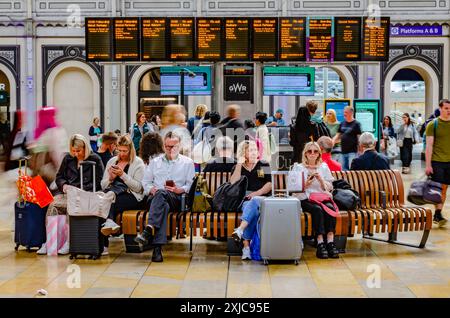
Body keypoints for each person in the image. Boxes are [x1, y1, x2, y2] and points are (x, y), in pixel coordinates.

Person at [37, 134, 104, 255]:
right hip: (68, 193)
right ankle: (50, 241)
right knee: (52, 205)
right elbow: (59, 177)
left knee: (71, 206)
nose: (76, 154)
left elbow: (100, 182)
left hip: (86, 195)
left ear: (85, 148)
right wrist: (64, 185)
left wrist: (80, 190)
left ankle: (69, 241)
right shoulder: (68, 158)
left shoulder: (95, 159)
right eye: (73, 151)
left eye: (78, 151)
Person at [136, 132, 195, 262]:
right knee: (162, 201)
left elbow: (190, 186)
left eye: (174, 146)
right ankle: (156, 248)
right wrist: (151, 189)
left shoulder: (188, 163)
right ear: (163, 145)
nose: (171, 149)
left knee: (163, 197)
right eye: (168, 146)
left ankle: (149, 231)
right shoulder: (155, 162)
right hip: (155, 197)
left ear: (179, 146)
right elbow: (145, 182)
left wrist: (179, 189)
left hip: (177, 198)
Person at [291, 142, 339, 259]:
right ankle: (320, 242)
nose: (312, 154)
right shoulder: (298, 167)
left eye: (315, 151)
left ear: (319, 154)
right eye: (309, 151)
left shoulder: (323, 167)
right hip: (305, 197)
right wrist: (305, 184)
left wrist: (321, 180)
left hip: (321, 196)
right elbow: (293, 189)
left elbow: (330, 187)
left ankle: (330, 241)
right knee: (317, 210)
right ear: (305, 154)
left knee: (330, 208)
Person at [100, 135, 146, 255]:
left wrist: (122, 175)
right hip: (111, 194)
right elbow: (103, 185)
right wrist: (110, 178)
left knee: (107, 201)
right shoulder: (112, 161)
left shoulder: (138, 163)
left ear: (130, 150)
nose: (121, 153)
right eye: (119, 150)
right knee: (102, 201)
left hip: (132, 196)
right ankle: (102, 241)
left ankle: (104, 242)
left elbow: (139, 188)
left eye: (124, 151)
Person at [230, 140, 272, 260]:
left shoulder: (264, 164)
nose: (254, 153)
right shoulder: (237, 167)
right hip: (244, 199)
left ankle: (242, 235)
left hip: (262, 197)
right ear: (244, 153)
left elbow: (269, 184)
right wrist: (239, 164)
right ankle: (245, 243)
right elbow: (233, 183)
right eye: (250, 150)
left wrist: (257, 193)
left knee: (253, 202)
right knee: (252, 209)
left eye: (255, 150)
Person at [28, 107, 68, 188]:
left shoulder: (39, 131)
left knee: (38, 192)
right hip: (47, 169)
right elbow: (56, 153)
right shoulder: (56, 130)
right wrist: (61, 170)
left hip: (39, 170)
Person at [425, 99, 450, 226]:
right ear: (440, 109)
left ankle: (438, 214)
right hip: (437, 161)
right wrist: (428, 164)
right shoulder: (433, 124)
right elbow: (429, 145)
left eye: (449, 108)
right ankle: (438, 213)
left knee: (445, 189)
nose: (448, 110)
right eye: (446, 108)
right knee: (438, 190)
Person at [332, 106, 362, 171]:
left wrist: (360, 150)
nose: (344, 114)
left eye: (346, 112)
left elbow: (359, 138)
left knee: (352, 170)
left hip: (353, 152)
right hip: (343, 152)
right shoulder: (342, 123)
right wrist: (332, 141)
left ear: (351, 113)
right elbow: (337, 135)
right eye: (344, 112)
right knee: (343, 171)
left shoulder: (356, 124)